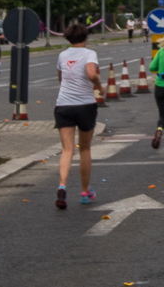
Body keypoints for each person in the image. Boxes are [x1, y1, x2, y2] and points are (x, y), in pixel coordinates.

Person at [54, 22, 105, 209]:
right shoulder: (89, 53)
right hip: (84, 105)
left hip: (64, 105)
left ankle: (62, 185)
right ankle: (85, 192)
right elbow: (91, 73)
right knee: (84, 149)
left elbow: (61, 79)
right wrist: (100, 86)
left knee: (67, 150)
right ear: (85, 38)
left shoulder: (62, 55)